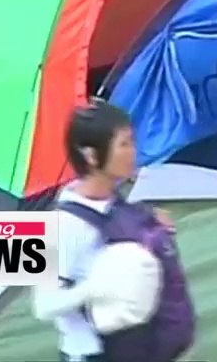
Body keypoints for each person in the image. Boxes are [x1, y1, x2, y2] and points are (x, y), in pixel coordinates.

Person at [34, 99, 172, 362]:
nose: (133, 151)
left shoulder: (116, 203)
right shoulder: (66, 224)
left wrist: (151, 227)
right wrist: (94, 288)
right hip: (89, 353)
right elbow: (43, 306)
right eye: (124, 144)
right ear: (92, 155)